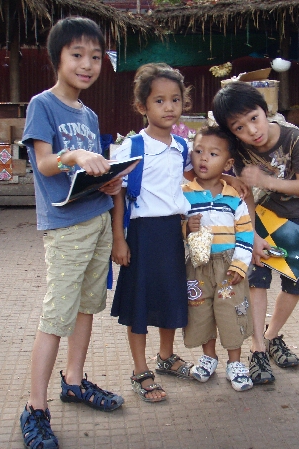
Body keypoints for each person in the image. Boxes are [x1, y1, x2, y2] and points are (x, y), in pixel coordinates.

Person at [19, 17, 123, 449]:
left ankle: (75, 381)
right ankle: (35, 407)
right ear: (57, 58)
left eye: (95, 57)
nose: (87, 65)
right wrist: (76, 154)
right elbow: (44, 164)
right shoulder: (42, 105)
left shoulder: (89, 112)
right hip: (65, 228)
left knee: (86, 308)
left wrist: (108, 181)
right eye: (77, 55)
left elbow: (90, 172)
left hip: (97, 217)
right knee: (56, 317)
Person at [212, 81, 299, 385]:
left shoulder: (295, 138)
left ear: (264, 110)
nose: (251, 130)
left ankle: (271, 337)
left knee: (295, 286)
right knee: (257, 282)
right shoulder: (241, 148)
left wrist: (266, 180)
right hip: (262, 217)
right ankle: (257, 349)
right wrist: (253, 234)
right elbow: (246, 192)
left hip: (297, 220)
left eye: (254, 118)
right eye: (239, 127)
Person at [110, 63, 196, 403]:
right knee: (141, 302)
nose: (169, 107)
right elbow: (117, 193)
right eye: (159, 100)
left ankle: (166, 357)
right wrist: (119, 238)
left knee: (170, 296)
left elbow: (194, 182)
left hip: (173, 234)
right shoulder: (131, 147)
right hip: (142, 234)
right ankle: (140, 370)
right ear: (142, 106)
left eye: (175, 99)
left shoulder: (182, 146)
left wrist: (229, 180)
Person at [182, 125, 255, 392]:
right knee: (200, 311)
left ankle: (235, 363)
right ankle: (209, 356)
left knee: (230, 312)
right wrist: (184, 228)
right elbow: (176, 227)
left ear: (228, 162)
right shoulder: (184, 192)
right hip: (197, 267)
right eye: (198, 151)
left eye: (213, 154)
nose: (203, 158)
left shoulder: (234, 196)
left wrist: (240, 264)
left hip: (228, 267)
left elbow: (246, 232)